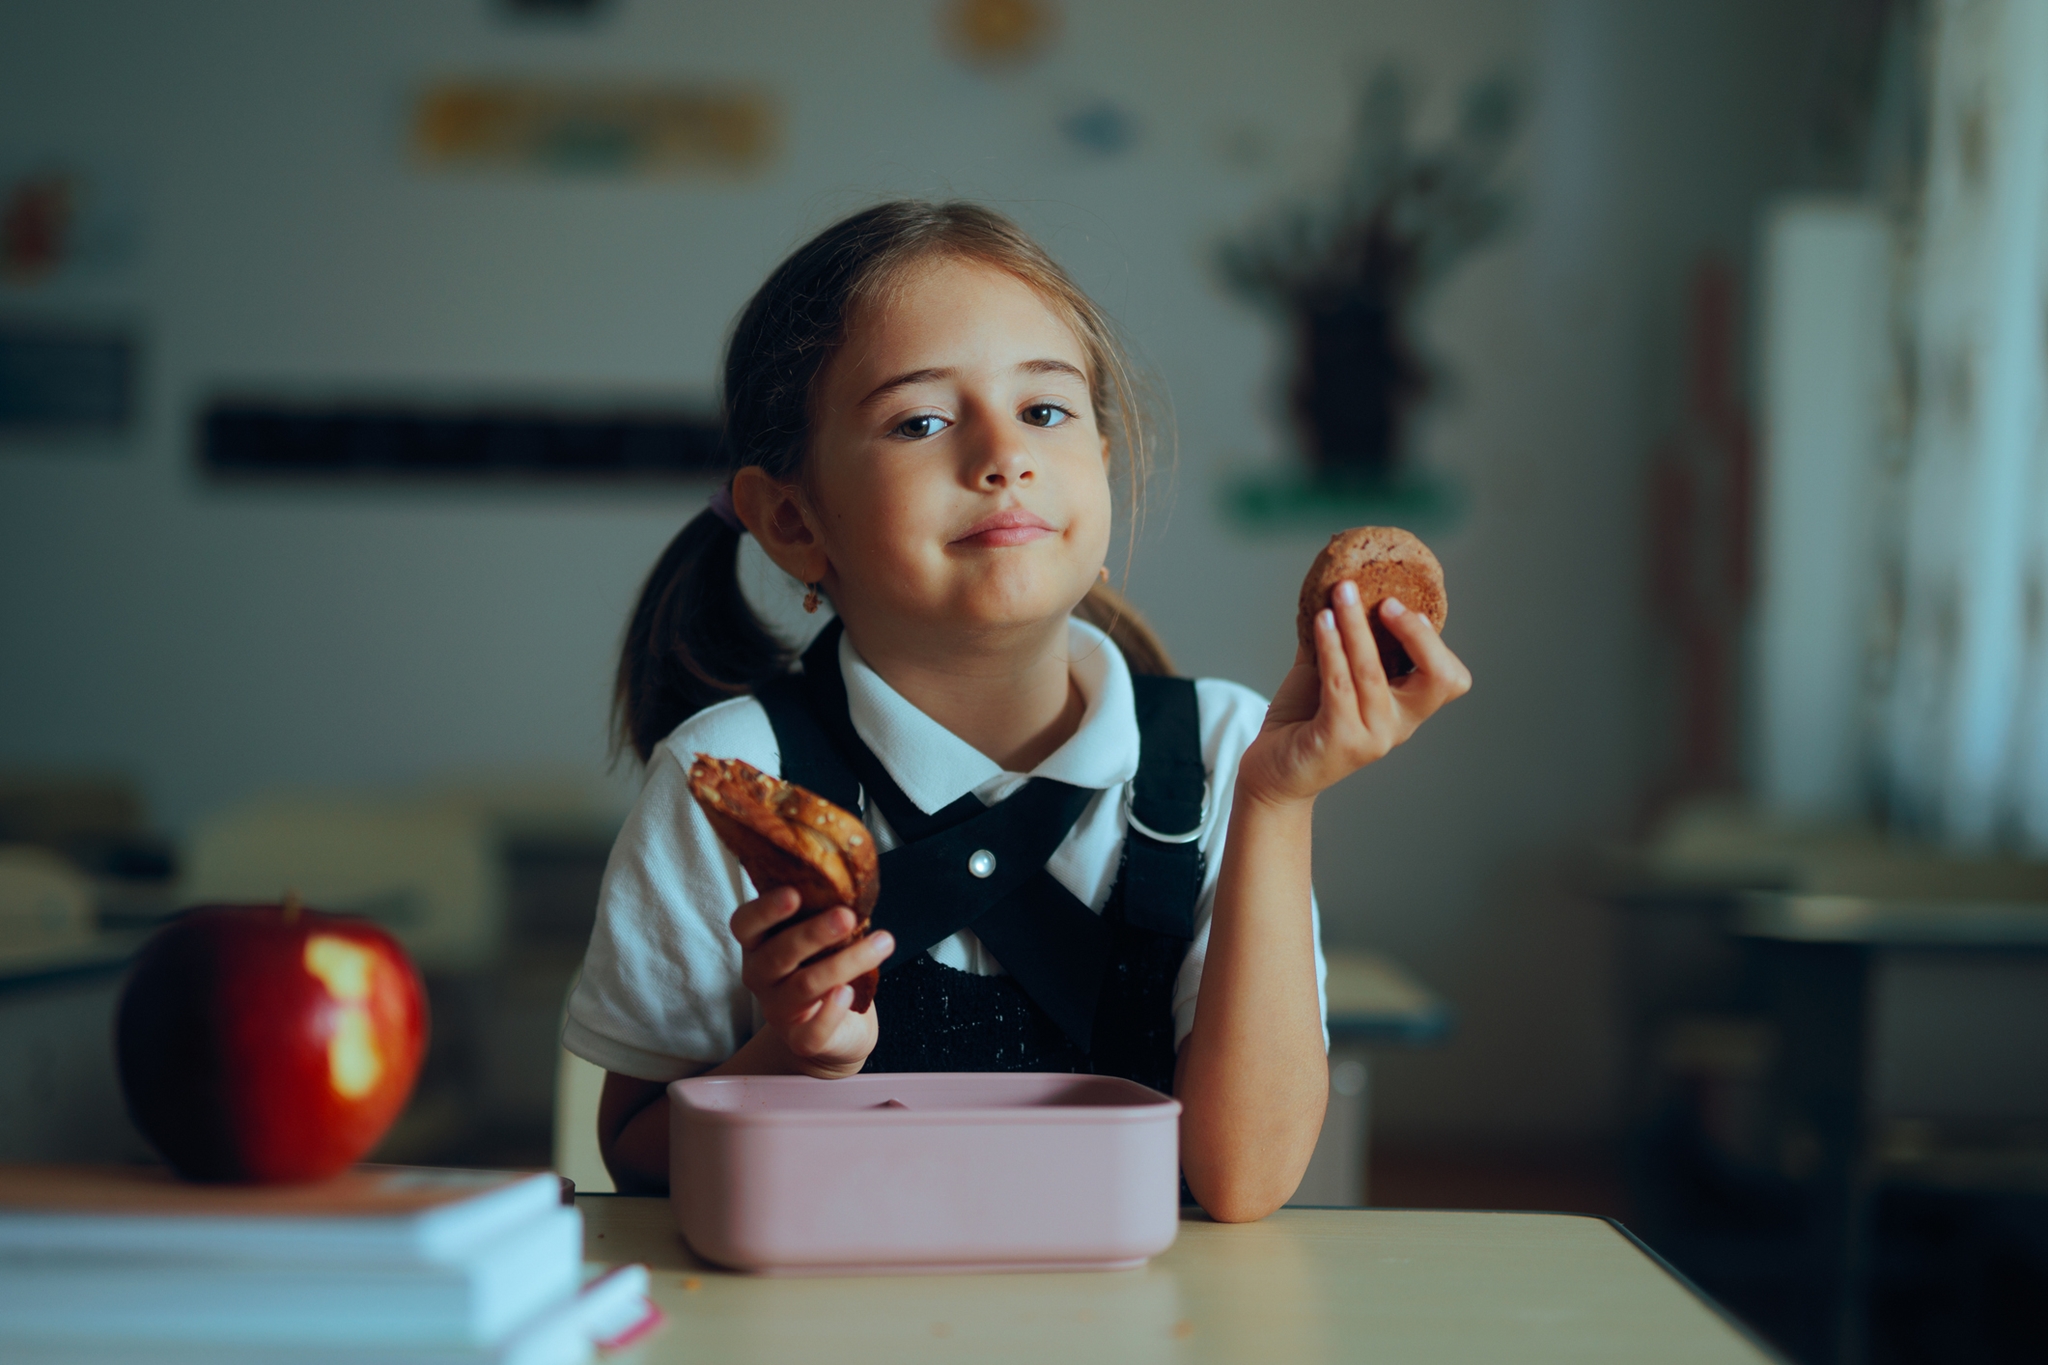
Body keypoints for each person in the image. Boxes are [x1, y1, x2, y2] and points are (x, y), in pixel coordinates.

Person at [564, 200, 1470, 1223]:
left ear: (1103, 462)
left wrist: (1276, 801)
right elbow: (633, 1156)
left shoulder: (1227, 749)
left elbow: (1241, 1179)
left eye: (1045, 411)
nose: (1002, 456)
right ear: (791, 518)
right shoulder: (732, 779)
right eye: (920, 422)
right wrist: (792, 1059)